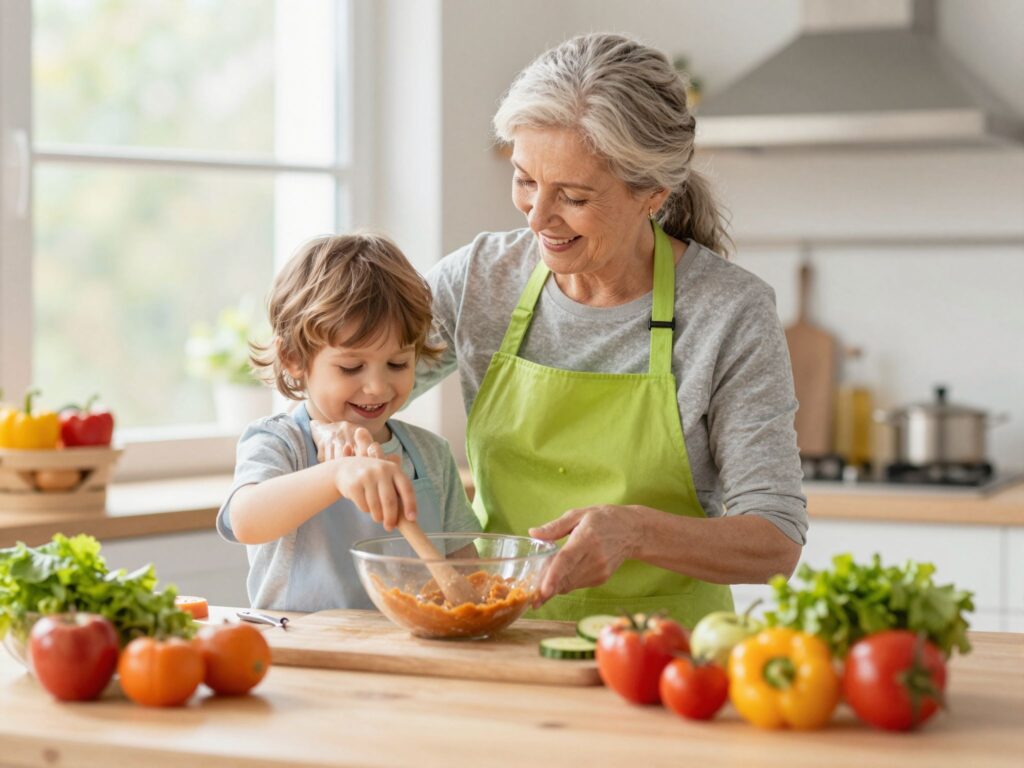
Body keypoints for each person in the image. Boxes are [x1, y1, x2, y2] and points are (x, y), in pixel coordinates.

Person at [411, 33, 807, 626]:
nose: (537, 218)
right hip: (503, 637)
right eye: (524, 180)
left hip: (667, 654)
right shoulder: (479, 278)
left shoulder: (729, 311)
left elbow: (775, 541)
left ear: (653, 194)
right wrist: (342, 435)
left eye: (572, 197)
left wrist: (636, 533)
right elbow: (349, 382)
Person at [216, 233, 481, 612]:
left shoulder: (431, 455)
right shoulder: (279, 442)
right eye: (352, 367)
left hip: (407, 645)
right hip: (302, 645)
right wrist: (336, 474)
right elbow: (246, 521)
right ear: (293, 358)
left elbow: (465, 570)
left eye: (398, 363)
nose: (377, 386)